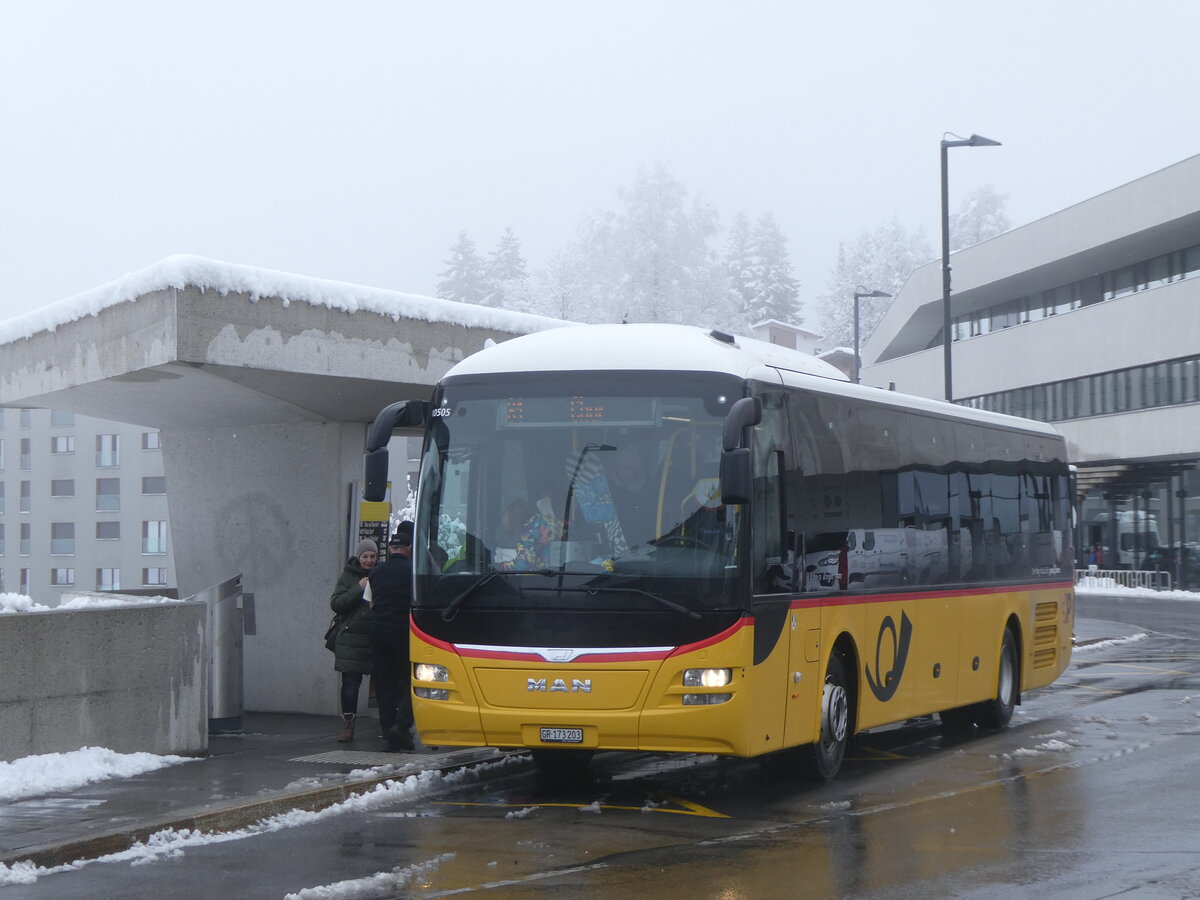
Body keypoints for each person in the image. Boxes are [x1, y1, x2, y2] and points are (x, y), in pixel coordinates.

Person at [367, 523, 416, 751]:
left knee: (384, 682)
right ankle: (402, 726)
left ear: (390, 549)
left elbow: (370, 603)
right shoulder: (413, 571)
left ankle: (387, 731)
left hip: (378, 630)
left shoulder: (375, 572)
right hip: (404, 632)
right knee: (411, 679)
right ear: (409, 548)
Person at [328, 538, 377, 742]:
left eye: (372, 556)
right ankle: (348, 725)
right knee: (350, 683)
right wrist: (358, 588)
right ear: (359, 557)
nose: (369, 560)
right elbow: (336, 603)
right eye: (365, 556)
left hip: (375, 636)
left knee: (385, 683)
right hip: (351, 639)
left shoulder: (382, 574)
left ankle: (391, 726)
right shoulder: (348, 576)